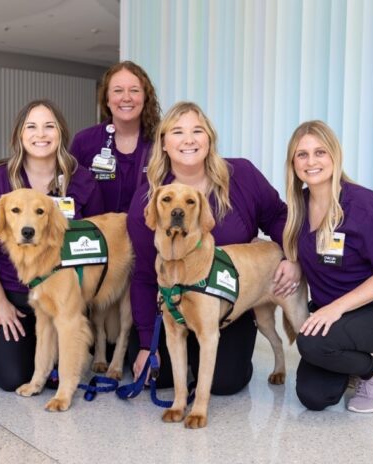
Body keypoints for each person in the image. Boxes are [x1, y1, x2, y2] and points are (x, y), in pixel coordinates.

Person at [126, 101, 301, 394]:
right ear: (164, 144)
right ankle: (185, 358)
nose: (189, 139)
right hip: (173, 304)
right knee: (159, 377)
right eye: (178, 132)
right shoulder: (151, 198)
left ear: (210, 139)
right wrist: (146, 343)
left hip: (226, 305)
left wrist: (292, 258)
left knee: (225, 383)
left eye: (198, 130)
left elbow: (277, 216)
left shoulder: (242, 174)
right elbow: (144, 275)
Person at [0, 100, 104, 391]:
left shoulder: (81, 180)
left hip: (62, 296)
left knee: (57, 377)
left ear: (61, 133)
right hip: (10, 295)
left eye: (49, 126)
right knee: (13, 378)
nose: (40, 134)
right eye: (31, 126)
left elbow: (95, 244)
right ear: (19, 134)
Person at [283, 120, 373, 413]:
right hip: (336, 316)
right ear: (292, 163)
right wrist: (291, 262)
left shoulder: (363, 204)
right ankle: (346, 353)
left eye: (320, 152)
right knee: (314, 397)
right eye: (301, 154)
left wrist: (335, 308)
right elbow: (304, 251)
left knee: (311, 343)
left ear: (334, 156)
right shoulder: (298, 207)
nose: (311, 161)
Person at [70, 61, 161, 213]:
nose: (126, 98)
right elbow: (69, 196)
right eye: (118, 91)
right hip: (96, 234)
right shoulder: (84, 142)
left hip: (147, 235)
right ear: (107, 99)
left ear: (145, 98)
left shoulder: (161, 142)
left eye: (134, 90)